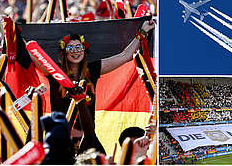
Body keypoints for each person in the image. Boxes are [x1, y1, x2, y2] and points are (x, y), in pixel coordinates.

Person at [30, 19, 155, 154]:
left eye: (79, 47)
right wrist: (14, 35)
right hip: (62, 140)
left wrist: (143, 31)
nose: (75, 51)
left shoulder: (93, 69)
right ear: (64, 52)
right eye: (70, 48)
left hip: (89, 138)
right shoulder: (55, 71)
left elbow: (125, 56)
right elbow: (33, 53)